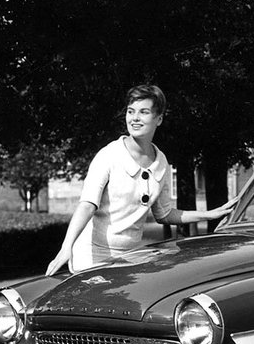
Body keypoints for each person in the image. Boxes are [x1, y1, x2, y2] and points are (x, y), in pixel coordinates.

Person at [46, 84, 236, 275]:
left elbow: (165, 214)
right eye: (131, 111)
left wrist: (209, 214)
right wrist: (66, 248)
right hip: (92, 258)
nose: (135, 118)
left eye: (143, 112)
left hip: (130, 259)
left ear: (158, 119)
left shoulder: (161, 161)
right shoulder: (108, 155)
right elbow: (87, 205)